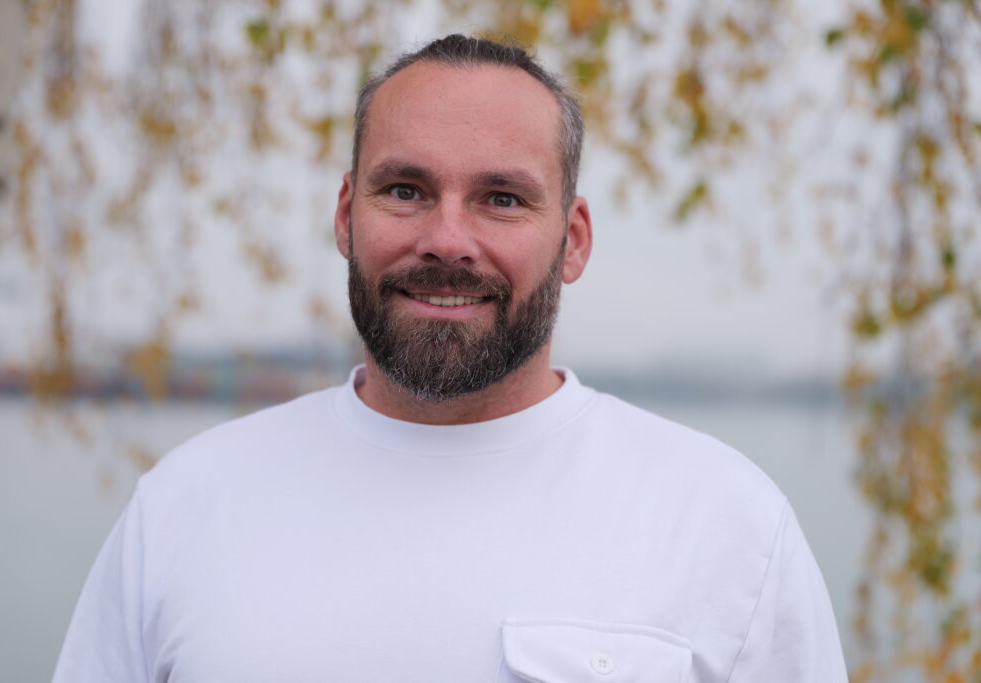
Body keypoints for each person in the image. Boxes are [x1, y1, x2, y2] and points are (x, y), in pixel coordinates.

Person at [52, 34, 847, 682]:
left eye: (502, 198)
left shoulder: (724, 523)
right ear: (344, 216)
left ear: (572, 241)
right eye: (405, 189)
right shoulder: (184, 507)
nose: (447, 240)